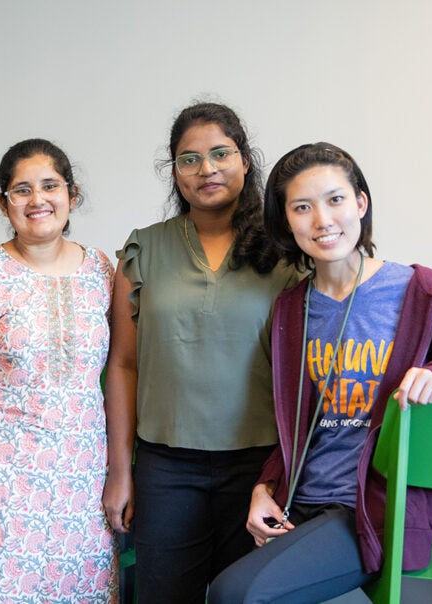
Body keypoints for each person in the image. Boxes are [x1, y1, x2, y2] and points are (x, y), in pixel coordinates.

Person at [208, 142, 432, 603]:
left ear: (361, 204)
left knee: (234, 593)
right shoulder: (291, 310)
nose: (323, 220)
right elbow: (294, 427)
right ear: (287, 221)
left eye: (335, 200)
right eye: (302, 207)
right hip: (299, 502)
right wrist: (264, 488)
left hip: (370, 509)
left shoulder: (422, 293)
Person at [102, 102, 297, 603]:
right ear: (174, 172)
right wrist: (121, 473)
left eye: (220, 154)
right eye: (189, 159)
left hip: (259, 468)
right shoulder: (143, 250)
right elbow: (123, 365)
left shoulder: (286, 252)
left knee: (246, 595)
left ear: (245, 160)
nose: (206, 169)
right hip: (166, 468)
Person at [0, 139, 118, 602]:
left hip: (84, 487)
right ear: (4, 203)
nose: (37, 199)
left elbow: (123, 372)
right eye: (21, 190)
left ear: (72, 194)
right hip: (5, 486)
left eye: (50, 186)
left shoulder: (103, 270)